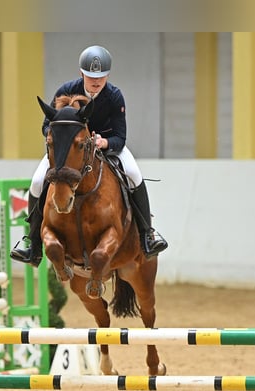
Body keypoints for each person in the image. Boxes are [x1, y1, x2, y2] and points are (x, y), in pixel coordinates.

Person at [11, 44, 168, 267]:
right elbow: (47, 125)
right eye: (91, 76)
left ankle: (147, 236)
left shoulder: (114, 96)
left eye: (101, 77)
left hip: (105, 147)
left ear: (107, 75)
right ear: (81, 73)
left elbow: (120, 138)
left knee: (134, 173)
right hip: (70, 151)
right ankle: (33, 244)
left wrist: (104, 142)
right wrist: (58, 138)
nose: (96, 81)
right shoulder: (66, 90)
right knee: (37, 181)